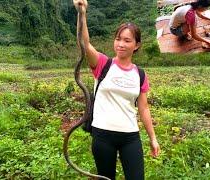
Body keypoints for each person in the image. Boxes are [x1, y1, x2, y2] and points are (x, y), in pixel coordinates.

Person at [73, 0, 160, 179]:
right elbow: (84, 43)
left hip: (130, 136)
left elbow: (143, 108)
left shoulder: (140, 74)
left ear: (136, 45)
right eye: (118, 39)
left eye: (127, 40)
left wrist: (152, 137)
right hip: (103, 134)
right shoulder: (103, 64)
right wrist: (82, 13)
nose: (120, 44)